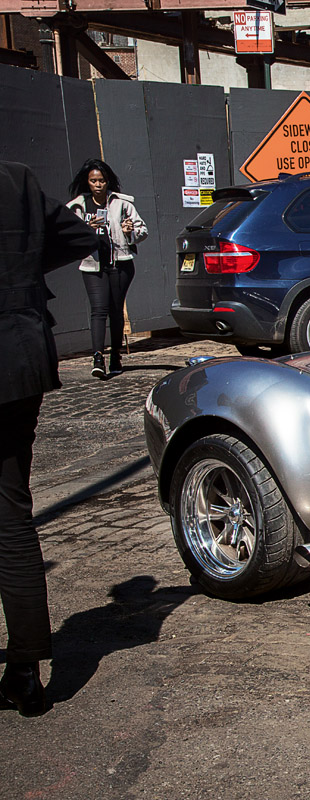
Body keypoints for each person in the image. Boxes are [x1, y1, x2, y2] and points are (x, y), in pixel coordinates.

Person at [0, 161, 100, 717]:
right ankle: (25, 672)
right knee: (12, 515)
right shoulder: (17, 180)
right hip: (20, 355)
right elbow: (79, 236)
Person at [66, 159, 148, 379]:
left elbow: (142, 231)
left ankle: (116, 355)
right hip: (93, 266)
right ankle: (98, 357)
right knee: (98, 310)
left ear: (107, 181)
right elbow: (67, 235)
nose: (98, 185)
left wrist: (129, 230)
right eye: (94, 181)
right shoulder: (78, 206)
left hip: (120, 263)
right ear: (88, 183)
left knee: (115, 310)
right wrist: (85, 228)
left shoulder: (122, 203)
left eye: (102, 180)